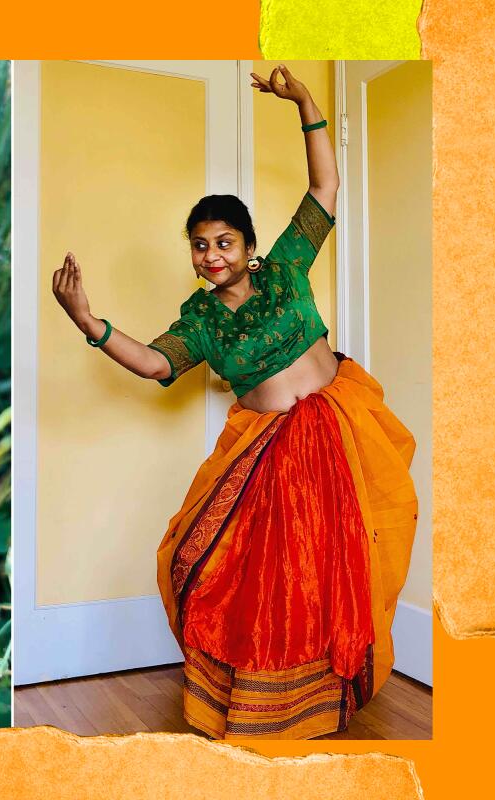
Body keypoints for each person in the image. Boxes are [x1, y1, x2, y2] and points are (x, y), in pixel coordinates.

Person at [51, 65, 418, 740]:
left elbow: (324, 188)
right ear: (193, 258)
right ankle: (263, 701)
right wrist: (88, 321)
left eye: (224, 242)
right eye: (201, 245)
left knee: (339, 568)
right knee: (264, 578)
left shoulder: (284, 270)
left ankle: (330, 695)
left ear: (249, 250)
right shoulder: (200, 322)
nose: (211, 253)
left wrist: (306, 101)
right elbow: (155, 362)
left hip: (338, 430)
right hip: (269, 450)